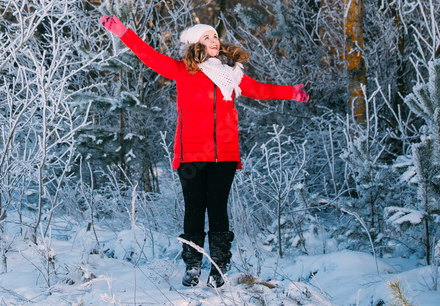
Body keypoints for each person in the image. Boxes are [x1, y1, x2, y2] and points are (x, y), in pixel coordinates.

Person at [100, 15, 309, 288]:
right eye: (207, 37)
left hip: (225, 153)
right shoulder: (182, 70)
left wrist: (290, 93)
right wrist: (123, 32)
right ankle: (193, 265)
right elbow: (149, 56)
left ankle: (219, 266)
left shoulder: (232, 73)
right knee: (194, 209)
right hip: (191, 154)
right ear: (195, 44)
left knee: (218, 208)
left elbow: (260, 90)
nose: (214, 40)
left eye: (215, 36)